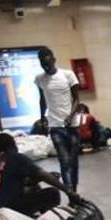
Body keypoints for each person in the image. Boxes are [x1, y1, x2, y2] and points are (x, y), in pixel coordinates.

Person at [0, 134, 78, 216]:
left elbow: (17, 180)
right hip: (10, 206)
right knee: (52, 193)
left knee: (34, 186)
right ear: (13, 144)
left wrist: (39, 179)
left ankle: (41, 215)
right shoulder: (16, 157)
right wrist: (68, 191)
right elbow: (42, 174)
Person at [36, 46, 81, 192]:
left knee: (73, 161)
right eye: (43, 65)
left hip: (72, 125)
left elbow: (77, 100)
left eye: (48, 63)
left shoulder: (68, 75)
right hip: (55, 125)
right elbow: (42, 100)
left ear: (54, 60)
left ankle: (74, 188)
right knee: (64, 160)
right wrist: (42, 118)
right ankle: (70, 192)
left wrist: (70, 116)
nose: (46, 67)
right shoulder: (40, 79)